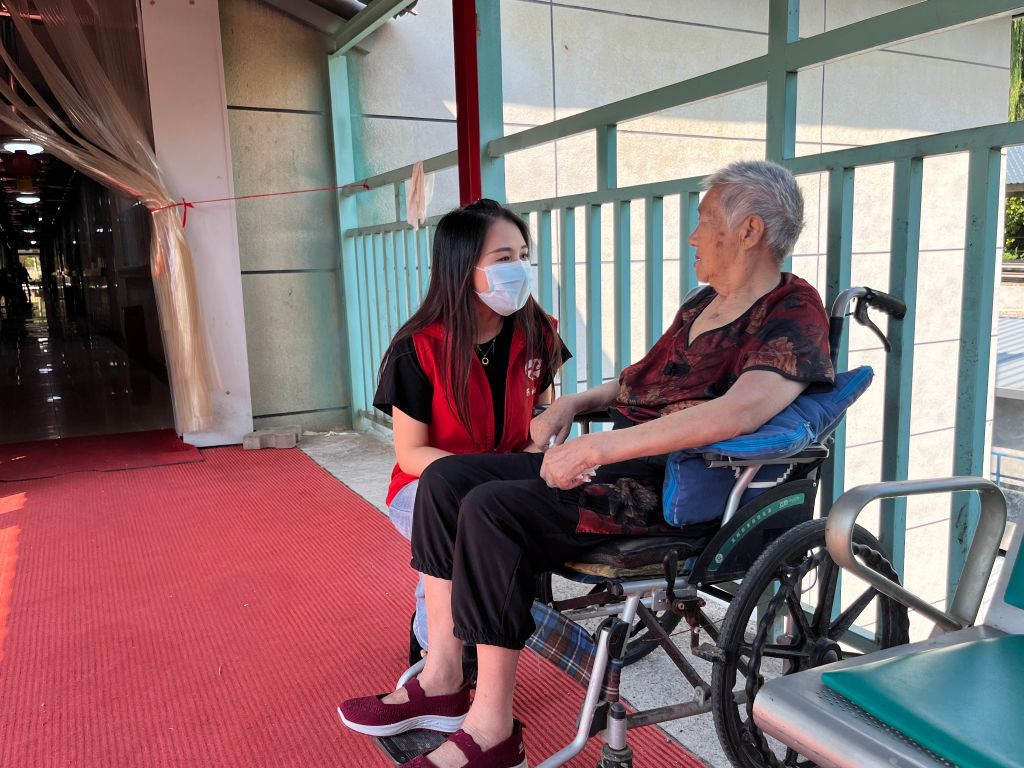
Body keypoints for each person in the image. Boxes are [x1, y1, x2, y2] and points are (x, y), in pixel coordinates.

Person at [339, 160, 835, 768]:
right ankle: (443, 677)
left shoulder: (792, 310)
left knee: (490, 509)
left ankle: (493, 731)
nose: (693, 235)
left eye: (705, 220)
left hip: (669, 485)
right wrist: (569, 406)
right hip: (620, 466)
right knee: (444, 480)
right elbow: (634, 385)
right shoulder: (703, 304)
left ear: (749, 230)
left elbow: (740, 411)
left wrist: (597, 448)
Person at [373, 198, 569, 660]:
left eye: (523, 255)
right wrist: (479, 480)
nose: (519, 269)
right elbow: (411, 454)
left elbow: (543, 417)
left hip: (513, 477)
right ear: (463, 267)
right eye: (503, 259)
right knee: (463, 523)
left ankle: (455, 649)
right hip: (426, 488)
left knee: (493, 521)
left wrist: (537, 448)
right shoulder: (418, 347)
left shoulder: (538, 331)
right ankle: (438, 653)